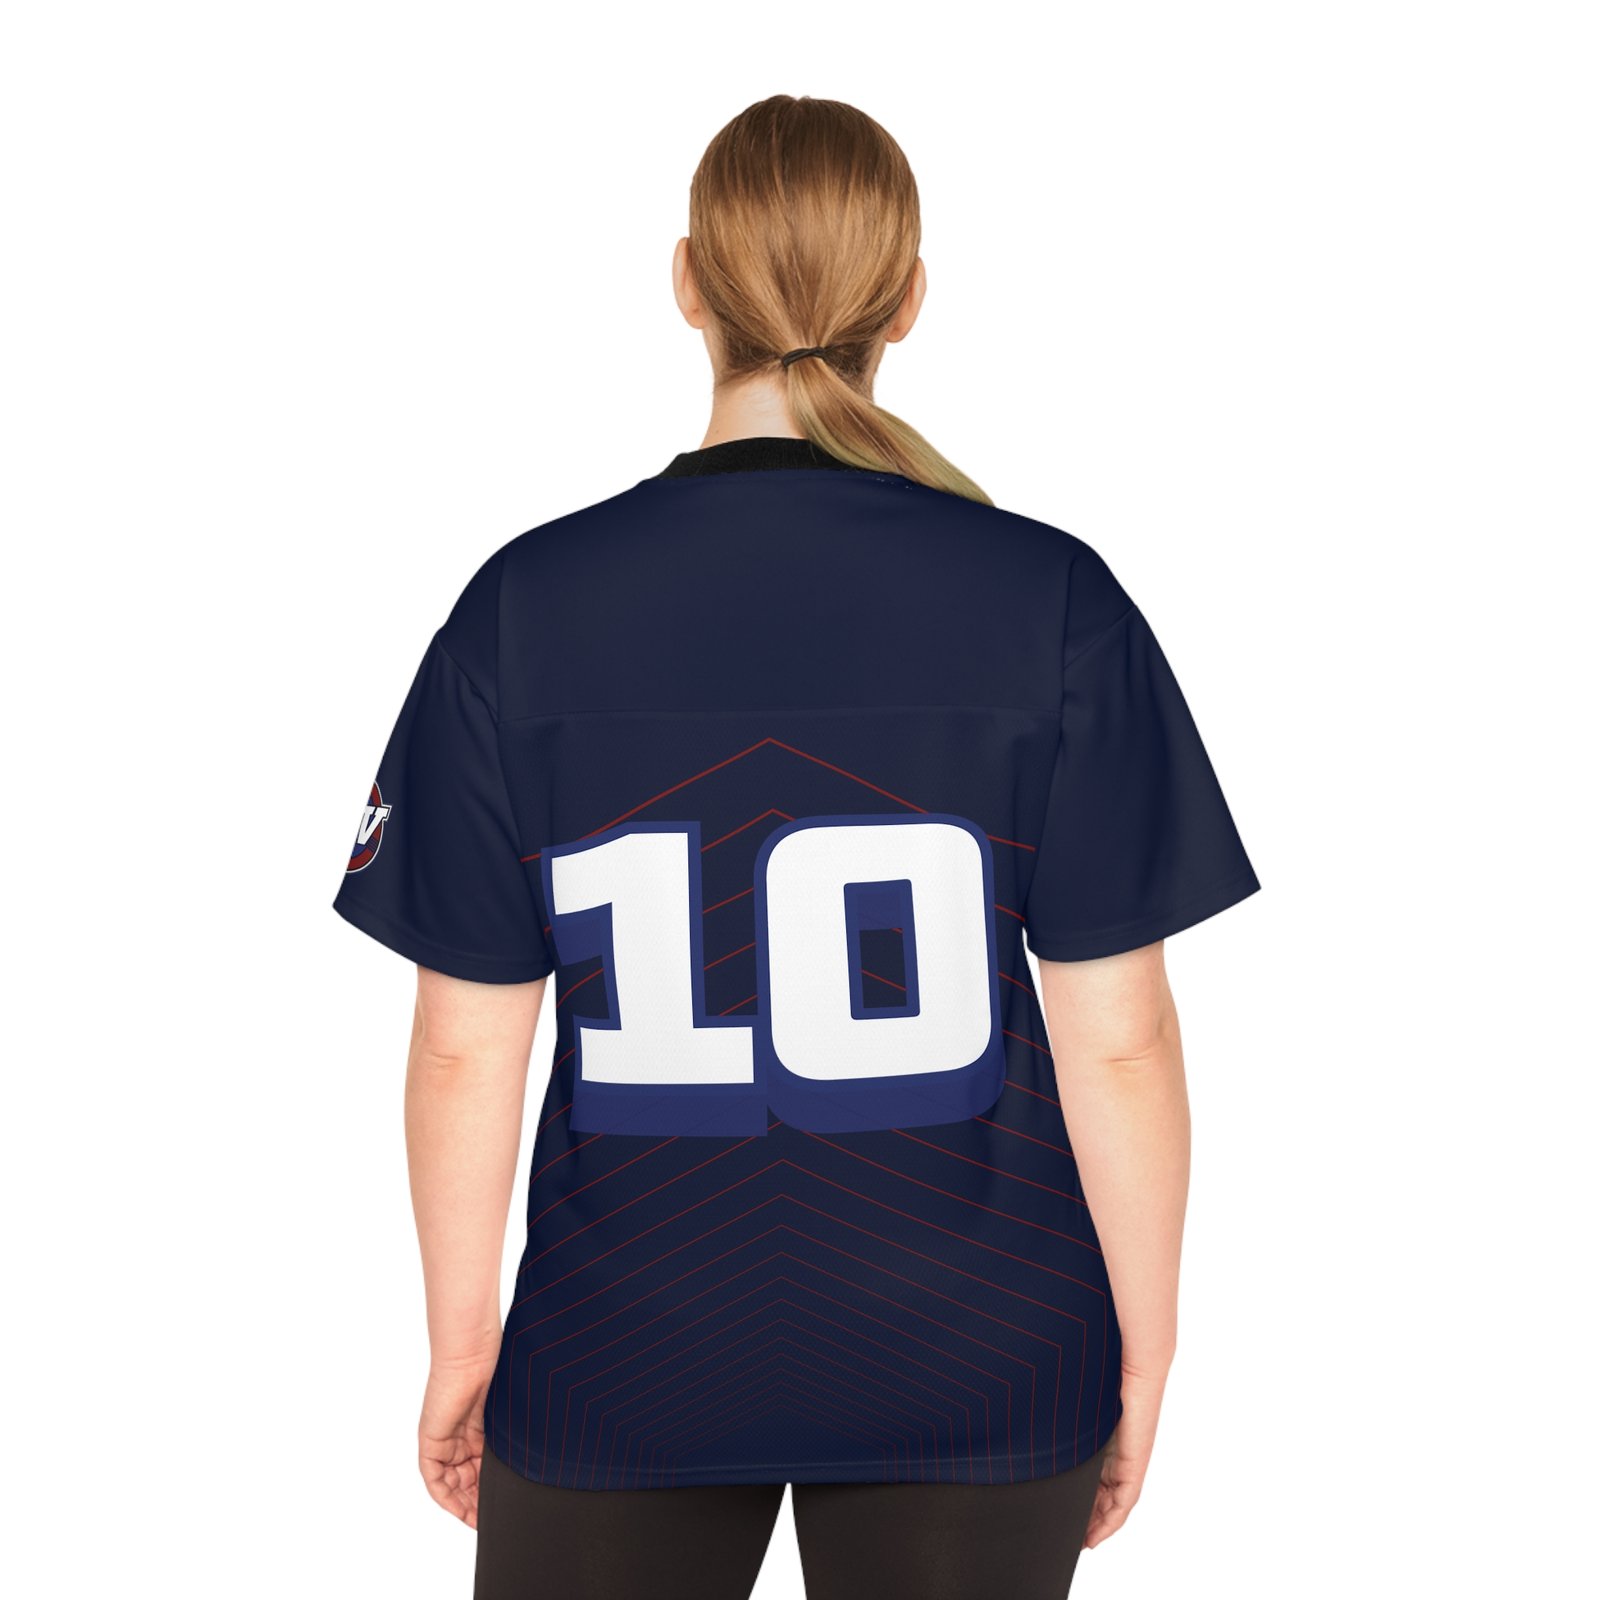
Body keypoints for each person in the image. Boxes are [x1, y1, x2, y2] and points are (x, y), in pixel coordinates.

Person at [334, 94, 1258, 1600]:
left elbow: (461, 1047)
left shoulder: (525, 605)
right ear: (909, 298)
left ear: (686, 281)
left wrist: (460, 1350)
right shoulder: (1053, 600)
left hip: (623, 1354)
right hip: (983, 1358)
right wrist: (1144, 1353)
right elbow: (1123, 1041)